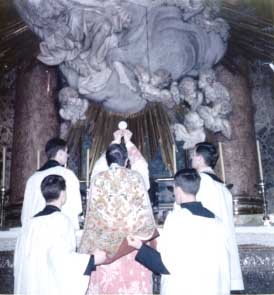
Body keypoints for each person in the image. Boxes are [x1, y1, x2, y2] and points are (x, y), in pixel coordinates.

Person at [128, 168, 230, 295]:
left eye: (174, 188)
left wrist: (139, 246)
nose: (173, 193)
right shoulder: (218, 222)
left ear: (178, 189)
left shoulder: (177, 219)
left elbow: (164, 265)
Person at [79, 143, 157, 294]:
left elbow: (92, 218)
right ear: (127, 161)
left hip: (105, 247)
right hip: (131, 246)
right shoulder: (135, 177)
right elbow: (144, 213)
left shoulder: (97, 179)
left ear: (107, 160)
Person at [14, 175, 106, 295]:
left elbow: (19, 263)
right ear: (62, 195)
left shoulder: (29, 224)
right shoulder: (61, 221)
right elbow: (63, 261)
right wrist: (92, 259)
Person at [191, 141, 244, 291]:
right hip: (222, 248)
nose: (192, 158)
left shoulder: (200, 182)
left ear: (200, 158)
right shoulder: (222, 187)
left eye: (193, 155)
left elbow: (197, 218)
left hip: (207, 248)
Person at [21, 137, 82, 229]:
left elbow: (26, 211)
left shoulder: (32, 178)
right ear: (60, 153)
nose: (68, 155)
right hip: (60, 229)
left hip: (36, 230)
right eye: (66, 152)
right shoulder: (68, 175)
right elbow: (76, 207)